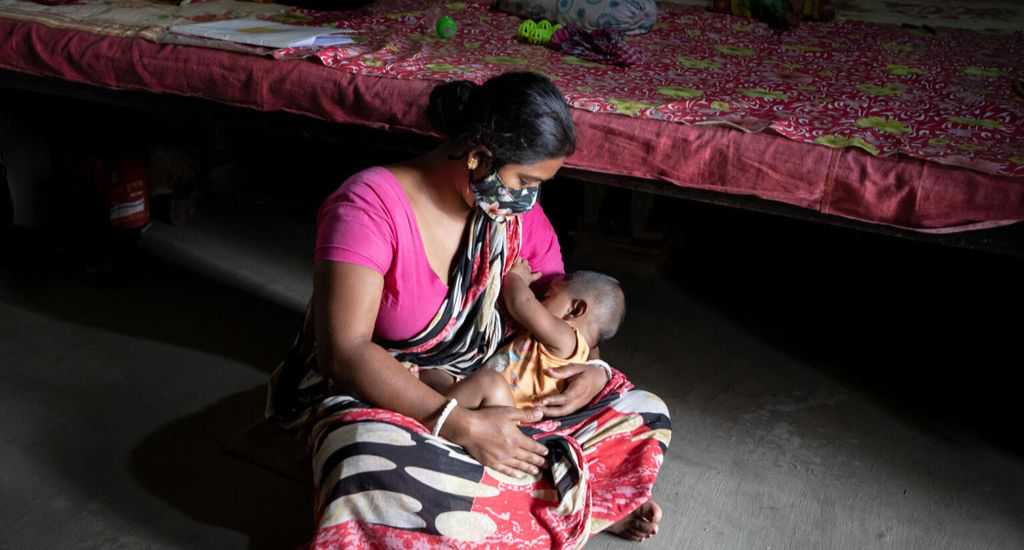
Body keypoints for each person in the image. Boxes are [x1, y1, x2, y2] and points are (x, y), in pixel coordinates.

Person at [267, 71, 671, 548]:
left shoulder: (511, 213)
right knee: (365, 466)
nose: (528, 199)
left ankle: (535, 501)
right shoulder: (369, 205)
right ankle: (571, 500)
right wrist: (458, 425)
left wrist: (592, 372)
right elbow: (345, 352)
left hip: (494, 385)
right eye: (525, 180)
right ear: (478, 155)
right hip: (393, 391)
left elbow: (557, 319)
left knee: (644, 411)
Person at [423, 263, 626, 412]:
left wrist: (516, 278)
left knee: (488, 382)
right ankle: (431, 392)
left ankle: (434, 415)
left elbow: (522, 303)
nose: (539, 298)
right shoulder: (571, 349)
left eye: (548, 296)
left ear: (575, 309)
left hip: (502, 406)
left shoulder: (566, 338)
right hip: (492, 398)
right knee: (433, 373)